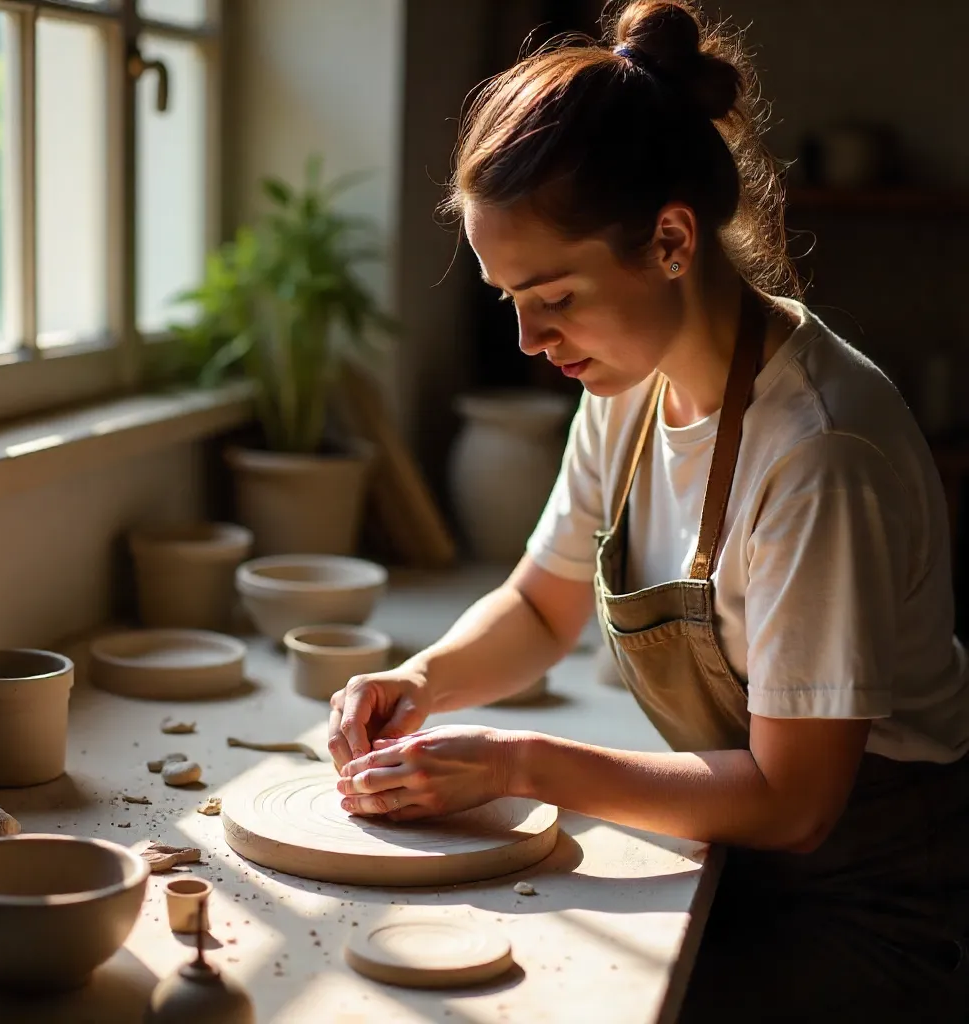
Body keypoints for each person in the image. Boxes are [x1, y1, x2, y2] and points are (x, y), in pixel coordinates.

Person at [327, 1, 969, 1019]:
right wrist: (420, 680)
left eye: (555, 296)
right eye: (509, 302)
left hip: (873, 908)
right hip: (735, 862)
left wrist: (515, 759)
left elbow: (793, 802)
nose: (532, 340)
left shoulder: (816, 453)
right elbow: (544, 607)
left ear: (671, 239)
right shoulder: (621, 388)